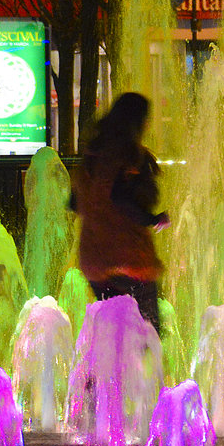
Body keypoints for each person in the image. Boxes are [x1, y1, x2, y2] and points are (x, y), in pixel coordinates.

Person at [70, 92, 170, 335]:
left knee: (112, 333)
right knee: (147, 333)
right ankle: (135, 372)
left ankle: (100, 373)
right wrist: (153, 219)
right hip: (128, 259)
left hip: (94, 260)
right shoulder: (127, 154)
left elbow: (74, 203)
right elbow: (119, 196)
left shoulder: (92, 154)